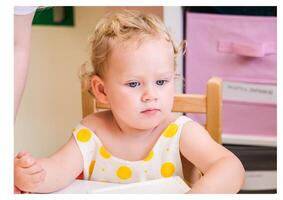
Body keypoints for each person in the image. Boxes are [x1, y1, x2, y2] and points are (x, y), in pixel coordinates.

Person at [14, 10, 245, 194]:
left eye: (162, 82)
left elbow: (230, 168)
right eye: (134, 84)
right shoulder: (92, 132)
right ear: (102, 90)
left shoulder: (181, 132)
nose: (150, 95)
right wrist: (34, 175)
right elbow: (58, 171)